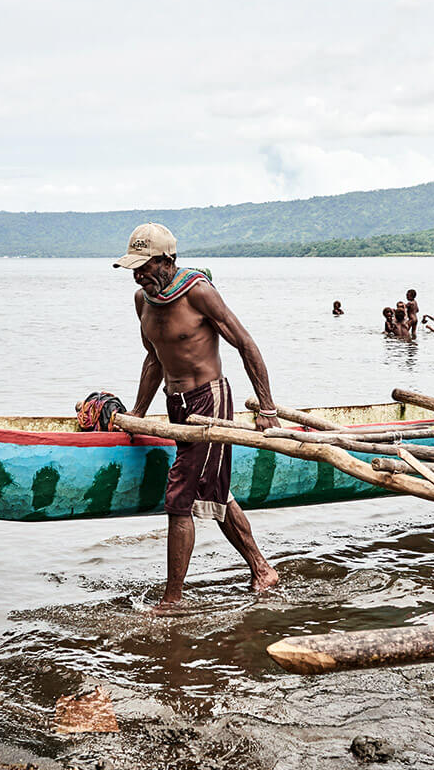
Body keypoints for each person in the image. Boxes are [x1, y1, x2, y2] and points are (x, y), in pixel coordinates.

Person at [112, 223, 279, 609]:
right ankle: (262, 569)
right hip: (177, 406)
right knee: (213, 489)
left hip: (210, 402)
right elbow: (154, 359)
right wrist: (137, 414)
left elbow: (245, 343)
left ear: (167, 260)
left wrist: (267, 408)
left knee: (179, 496)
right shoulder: (142, 301)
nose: (138, 275)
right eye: (134, 268)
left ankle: (172, 599)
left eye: (145, 266)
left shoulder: (200, 293)